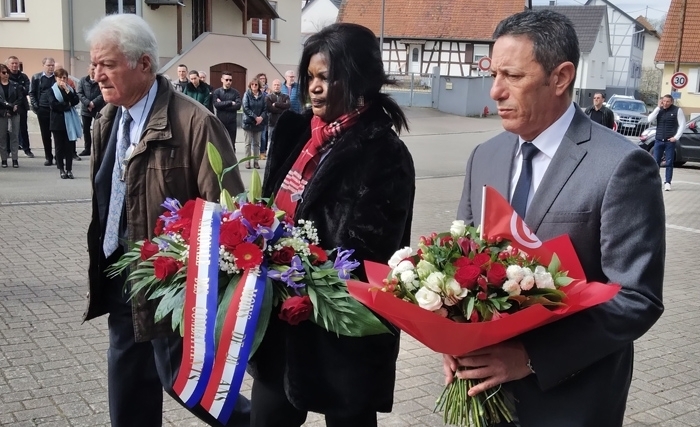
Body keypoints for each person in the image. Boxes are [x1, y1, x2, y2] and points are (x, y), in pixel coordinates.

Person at [451, 10, 664, 427]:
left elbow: (637, 298)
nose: (495, 91)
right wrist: (454, 338)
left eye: (512, 76)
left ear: (561, 77)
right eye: (493, 74)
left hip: (570, 398)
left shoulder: (622, 166)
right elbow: (460, 263)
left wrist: (530, 358)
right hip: (484, 394)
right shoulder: (485, 157)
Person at [83, 13, 249, 427]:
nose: (96, 75)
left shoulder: (195, 123)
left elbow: (230, 210)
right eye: (94, 64)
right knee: (129, 386)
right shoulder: (108, 119)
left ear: (143, 64)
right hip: (123, 274)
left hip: (172, 284)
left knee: (188, 383)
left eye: (107, 64)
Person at [254, 22, 416, 427]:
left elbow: (371, 251)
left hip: (341, 332)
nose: (314, 87)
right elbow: (268, 207)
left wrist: (303, 274)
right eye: (310, 77)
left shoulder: (385, 152)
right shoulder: (292, 131)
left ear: (357, 79)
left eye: (326, 77)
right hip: (281, 324)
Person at [647, 94, 685, 192]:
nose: (665, 103)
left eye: (668, 101)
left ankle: (667, 182)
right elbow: (649, 119)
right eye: (664, 101)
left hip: (669, 141)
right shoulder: (659, 110)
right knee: (656, 162)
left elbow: (682, 125)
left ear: (671, 102)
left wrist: (676, 137)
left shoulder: (677, 110)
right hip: (659, 140)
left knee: (669, 162)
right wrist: (657, 108)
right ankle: (654, 181)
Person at [48, 67, 81, 179]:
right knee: (59, 147)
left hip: (70, 122)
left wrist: (67, 91)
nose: (63, 80)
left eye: (65, 78)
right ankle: (61, 169)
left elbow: (75, 100)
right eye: (60, 77)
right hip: (58, 123)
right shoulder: (51, 90)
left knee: (69, 147)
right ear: (56, 78)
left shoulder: (70, 89)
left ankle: (69, 169)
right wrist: (67, 106)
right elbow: (54, 105)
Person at [29, 57, 57, 166]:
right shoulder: (36, 77)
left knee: (57, 134)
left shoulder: (57, 77)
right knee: (46, 135)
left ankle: (58, 157)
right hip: (43, 109)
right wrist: (37, 107)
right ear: (43, 65)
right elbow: (32, 93)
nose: (51, 67)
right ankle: (48, 157)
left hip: (55, 110)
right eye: (48, 65)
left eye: (52, 65)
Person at [6, 55, 33, 158]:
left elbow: (27, 90)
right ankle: (8, 151)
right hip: (9, 106)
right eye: (12, 63)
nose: (14, 65)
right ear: (8, 65)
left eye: (16, 63)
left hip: (21, 106)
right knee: (8, 129)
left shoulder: (24, 77)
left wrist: (18, 88)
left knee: (23, 129)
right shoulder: (5, 76)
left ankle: (27, 150)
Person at [77, 63, 105, 156]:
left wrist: (93, 103)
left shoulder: (101, 80)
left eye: (95, 69)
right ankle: (87, 149)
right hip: (86, 110)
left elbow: (103, 94)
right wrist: (88, 103)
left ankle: (98, 149)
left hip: (98, 109)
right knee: (86, 130)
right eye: (92, 69)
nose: (94, 71)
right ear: (88, 70)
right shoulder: (83, 80)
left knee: (99, 130)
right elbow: (79, 93)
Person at [0, 63, 23, 168]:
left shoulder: (15, 85)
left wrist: (14, 107)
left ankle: (15, 159)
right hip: (2, 113)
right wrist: (9, 107)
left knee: (14, 136)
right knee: (2, 137)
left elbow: (20, 98)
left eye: (7, 73)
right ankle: (4, 159)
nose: (6, 75)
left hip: (14, 113)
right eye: (3, 73)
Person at [213, 71, 242, 151]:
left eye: (230, 80)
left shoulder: (235, 93)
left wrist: (222, 104)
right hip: (220, 122)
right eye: (226, 80)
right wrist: (230, 102)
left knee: (231, 144)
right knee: (220, 144)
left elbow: (238, 106)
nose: (229, 82)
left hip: (232, 122)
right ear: (222, 80)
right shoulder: (217, 92)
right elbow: (216, 105)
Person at [241, 78, 266, 169]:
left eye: (256, 84)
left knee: (256, 143)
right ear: (250, 85)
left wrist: (261, 118)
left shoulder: (262, 96)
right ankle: (247, 161)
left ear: (258, 86)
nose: (254, 86)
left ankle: (256, 161)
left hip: (258, 123)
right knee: (248, 143)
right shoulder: (246, 94)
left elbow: (265, 109)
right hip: (248, 122)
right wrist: (255, 117)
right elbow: (245, 108)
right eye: (252, 84)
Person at [264, 78, 290, 157]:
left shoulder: (285, 96)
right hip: (272, 121)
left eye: (278, 85)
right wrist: (281, 108)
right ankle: (270, 154)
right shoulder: (268, 97)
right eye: (275, 85)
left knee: (281, 139)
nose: (276, 86)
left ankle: (280, 155)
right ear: (272, 86)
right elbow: (270, 108)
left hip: (283, 122)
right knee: (271, 139)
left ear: (281, 86)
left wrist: (276, 104)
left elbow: (288, 105)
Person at [255, 73, 270, 159]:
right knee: (256, 137)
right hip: (256, 116)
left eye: (264, 78)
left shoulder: (268, 90)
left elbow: (269, 102)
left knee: (264, 136)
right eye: (261, 78)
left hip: (265, 116)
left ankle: (263, 152)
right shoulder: (255, 89)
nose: (262, 80)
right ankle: (256, 152)